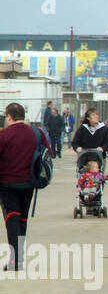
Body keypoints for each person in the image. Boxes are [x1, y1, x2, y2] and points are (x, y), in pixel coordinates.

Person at [0, 103, 49, 272]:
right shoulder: (37, 133)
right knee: (22, 219)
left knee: (11, 218)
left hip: (7, 183)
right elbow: (48, 153)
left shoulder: (3, 135)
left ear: (9, 116)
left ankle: (16, 260)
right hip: (29, 183)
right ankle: (19, 257)